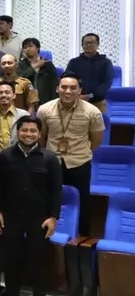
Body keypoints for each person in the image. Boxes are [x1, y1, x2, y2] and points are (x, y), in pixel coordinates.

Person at [0, 116, 62, 296]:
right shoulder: (6, 156)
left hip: (39, 217)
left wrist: (53, 217)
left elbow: (56, 191)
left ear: (39, 134)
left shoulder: (50, 158)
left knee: (38, 259)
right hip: (11, 214)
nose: (28, 134)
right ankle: (11, 294)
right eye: (24, 130)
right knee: (11, 256)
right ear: (18, 132)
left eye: (33, 131)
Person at [37, 72, 104, 237]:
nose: (68, 91)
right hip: (52, 163)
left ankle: (82, 238)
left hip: (79, 163)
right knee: (49, 199)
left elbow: (96, 140)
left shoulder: (92, 112)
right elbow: (42, 137)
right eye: (64, 87)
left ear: (80, 90)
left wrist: (81, 152)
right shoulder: (44, 109)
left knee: (83, 202)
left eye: (73, 88)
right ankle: (49, 236)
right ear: (57, 89)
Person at [65, 32, 114, 112]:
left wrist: (90, 96)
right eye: (86, 43)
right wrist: (76, 95)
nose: (88, 45)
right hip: (77, 101)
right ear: (82, 45)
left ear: (98, 45)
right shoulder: (74, 62)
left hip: (98, 102)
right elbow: (67, 79)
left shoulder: (106, 62)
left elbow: (106, 83)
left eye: (92, 42)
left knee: (99, 120)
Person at [17, 37, 59, 105]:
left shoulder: (48, 64)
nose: (27, 49)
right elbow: (20, 79)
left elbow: (54, 84)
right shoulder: (20, 64)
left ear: (38, 48)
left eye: (30, 46)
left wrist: (54, 102)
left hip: (46, 100)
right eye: (25, 47)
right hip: (27, 100)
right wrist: (35, 66)